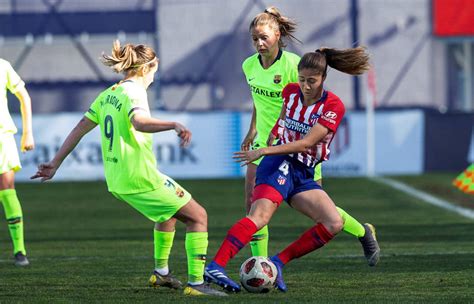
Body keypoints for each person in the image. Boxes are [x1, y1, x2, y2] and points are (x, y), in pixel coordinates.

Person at [31, 41, 226, 297]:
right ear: (148, 67)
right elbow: (140, 122)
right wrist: (173, 124)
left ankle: (161, 274)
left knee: (166, 215)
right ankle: (197, 284)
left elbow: (81, 126)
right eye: (155, 68)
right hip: (139, 177)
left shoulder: (110, 93)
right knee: (198, 216)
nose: (156, 73)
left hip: (118, 179)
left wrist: (55, 163)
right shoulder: (134, 92)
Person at [205, 46, 377, 293]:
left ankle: (277, 261)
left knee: (333, 223)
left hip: (303, 170)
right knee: (259, 217)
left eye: (312, 81)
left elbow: (308, 142)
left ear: (323, 79)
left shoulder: (333, 106)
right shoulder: (290, 92)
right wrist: (272, 137)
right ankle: (216, 265)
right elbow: (283, 119)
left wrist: (263, 150)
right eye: (302, 79)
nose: (306, 86)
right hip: (279, 164)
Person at [241, 6, 379, 266]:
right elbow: (257, 101)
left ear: (278, 35)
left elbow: (315, 100)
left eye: (264, 37)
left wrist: (308, 138)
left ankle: (362, 232)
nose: (259, 43)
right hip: (264, 145)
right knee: (252, 207)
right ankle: (259, 266)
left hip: (298, 149)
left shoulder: (294, 65)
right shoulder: (248, 65)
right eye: (254, 39)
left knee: (319, 210)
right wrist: (253, 129)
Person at [0, 58, 34, 267]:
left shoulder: (2, 66)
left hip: (1, 137)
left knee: (6, 188)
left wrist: (28, 132)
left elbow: (23, 96)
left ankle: (19, 250)